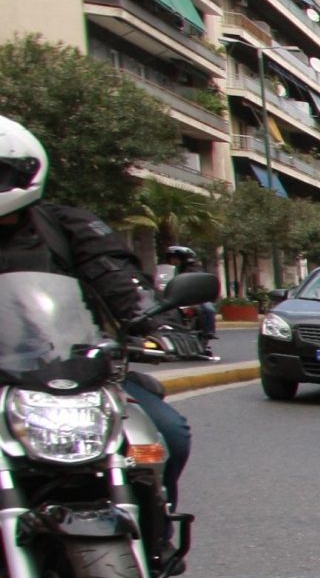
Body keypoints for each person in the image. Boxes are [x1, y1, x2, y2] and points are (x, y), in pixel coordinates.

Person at [0, 115, 193, 551]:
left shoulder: (66, 226)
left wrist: (156, 322)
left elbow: (116, 276)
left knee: (167, 434)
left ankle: (154, 538)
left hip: (72, 370)